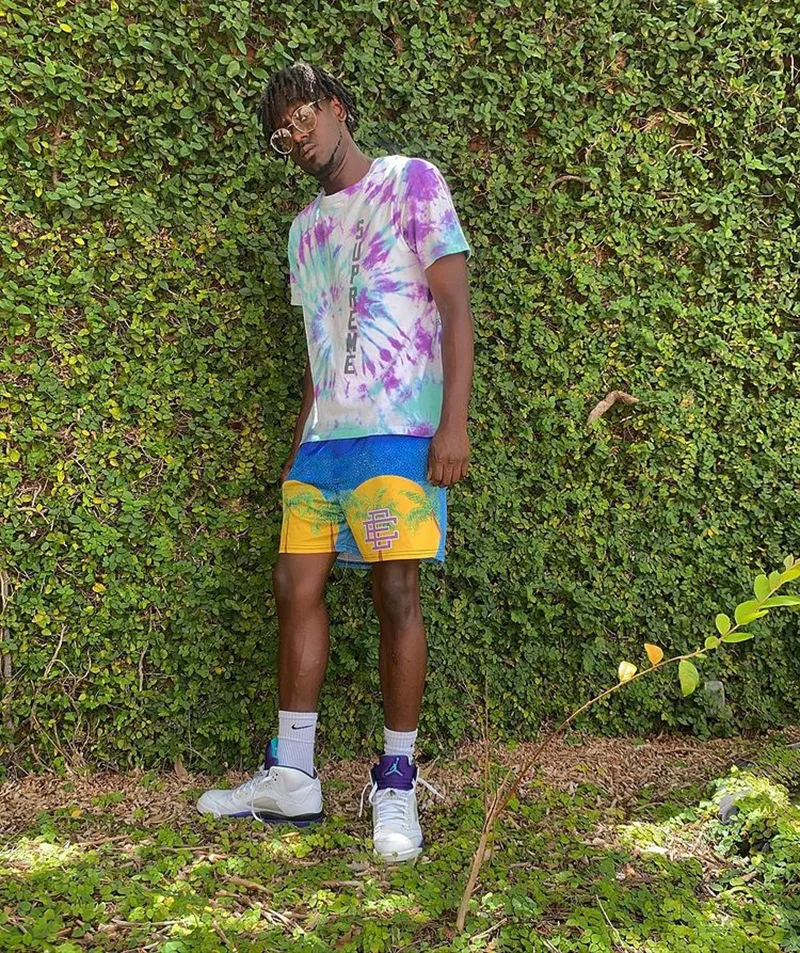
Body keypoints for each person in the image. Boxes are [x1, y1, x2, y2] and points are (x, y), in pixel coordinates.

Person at [197, 62, 474, 863]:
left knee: (396, 591)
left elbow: (456, 307)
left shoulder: (410, 181)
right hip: (323, 442)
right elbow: (319, 350)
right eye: (281, 132)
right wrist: (297, 452)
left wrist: (453, 424)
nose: (296, 136)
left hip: (396, 430)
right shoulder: (303, 232)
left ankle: (396, 780)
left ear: (337, 109)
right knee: (294, 584)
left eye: (304, 116)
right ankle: (293, 775)